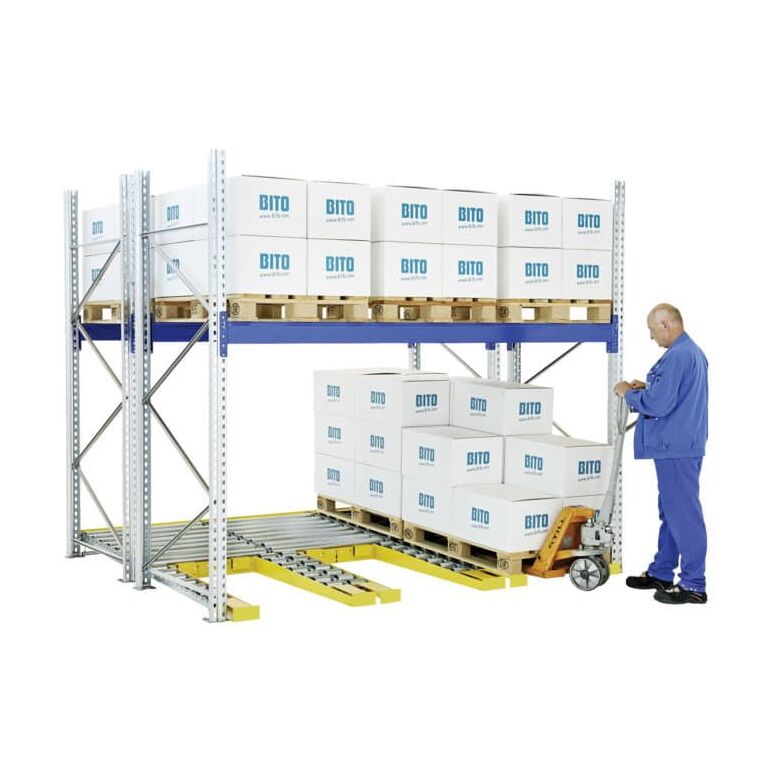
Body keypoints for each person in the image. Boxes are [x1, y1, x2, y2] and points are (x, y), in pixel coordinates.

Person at [613, 303, 709, 604]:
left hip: (676, 447)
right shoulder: (690, 353)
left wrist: (628, 393)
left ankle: (693, 584)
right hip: (680, 444)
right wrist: (648, 386)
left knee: (684, 515)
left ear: (666, 325)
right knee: (671, 511)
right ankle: (662, 572)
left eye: (653, 330)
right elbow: (675, 393)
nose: (651, 337)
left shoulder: (679, 356)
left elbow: (659, 404)